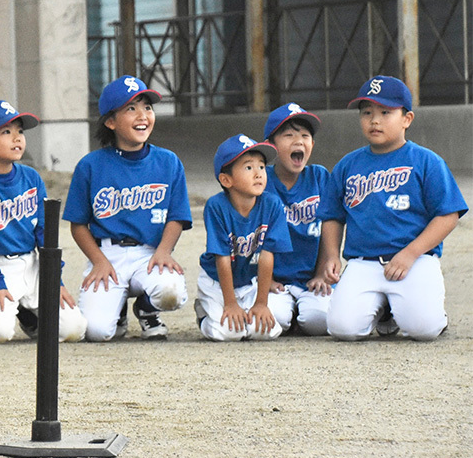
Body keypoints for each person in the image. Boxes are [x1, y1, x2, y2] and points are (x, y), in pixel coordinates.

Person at [316, 75, 467, 341]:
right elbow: (332, 215)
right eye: (367, 112)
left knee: (424, 330)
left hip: (415, 259)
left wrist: (410, 254)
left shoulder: (425, 161)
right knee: (342, 328)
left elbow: (448, 215)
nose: (374, 120)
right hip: (364, 262)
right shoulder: (347, 165)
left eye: (385, 112)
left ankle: (429, 315)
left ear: (407, 119)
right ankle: (384, 311)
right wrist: (331, 256)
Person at [63, 76, 191, 341]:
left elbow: (177, 216)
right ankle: (117, 309)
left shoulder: (168, 162)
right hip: (109, 253)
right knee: (97, 332)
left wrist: (165, 251)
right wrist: (99, 260)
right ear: (111, 122)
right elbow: (78, 224)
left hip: (149, 253)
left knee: (171, 292)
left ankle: (146, 310)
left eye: (147, 107)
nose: (142, 115)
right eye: (131, 109)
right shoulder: (90, 165)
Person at [0, 100, 87, 344]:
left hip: (34, 264)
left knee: (74, 330)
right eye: (6, 132)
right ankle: (15, 310)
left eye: (20, 131)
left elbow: (43, 232)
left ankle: (29, 315)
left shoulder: (31, 177)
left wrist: (54, 280)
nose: (17, 138)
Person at [194, 134, 292, 341]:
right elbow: (222, 257)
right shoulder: (216, 206)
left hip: (249, 281)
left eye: (262, 167)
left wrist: (261, 303)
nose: (258, 174)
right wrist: (230, 303)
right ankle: (204, 313)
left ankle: (242, 311)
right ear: (226, 180)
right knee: (229, 332)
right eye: (249, 167)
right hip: (217, 283)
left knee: (264, 331)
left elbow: (267, 255)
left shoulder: (272, 204)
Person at [262, 103, 332, 335]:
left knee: (320, 322)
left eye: (305, 135)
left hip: (310, 279)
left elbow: (329, 229)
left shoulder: (320, 177)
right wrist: (264, 279)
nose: (299, 141)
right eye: (289, 135)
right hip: (273, 280)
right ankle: (289, 315)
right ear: (271, 145)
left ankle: (299, 314)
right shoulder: (260, 179)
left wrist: (322, 273)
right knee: (270, 322)